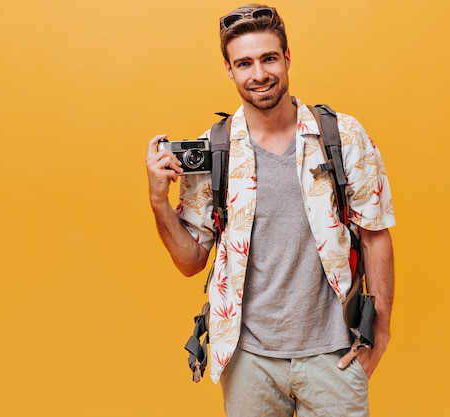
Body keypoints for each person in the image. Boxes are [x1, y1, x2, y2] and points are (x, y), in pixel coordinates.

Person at [146, 4, 395, 416]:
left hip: (334, 352)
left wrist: (380, 333)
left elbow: (375, 233)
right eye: (244, 63)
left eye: (268, 58)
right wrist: (157, 201)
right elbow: (191, 261)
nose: (258, 74)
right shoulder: (215, 149)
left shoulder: (341, 135)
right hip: (249, 361)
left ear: (287, 57)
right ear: (229, 69)